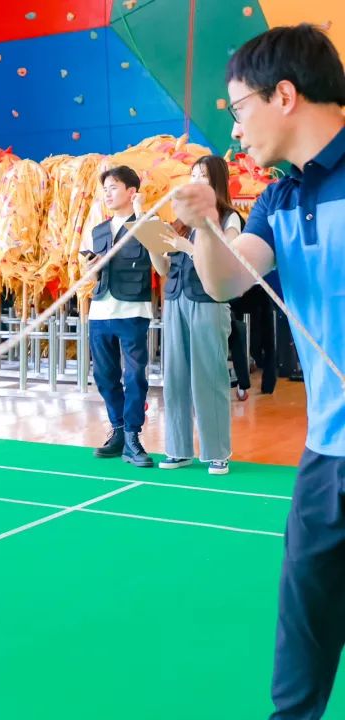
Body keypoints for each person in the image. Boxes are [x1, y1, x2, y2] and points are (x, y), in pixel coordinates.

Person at [172, 24, 345, 719]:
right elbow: (224, 282)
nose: (236, 129)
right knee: (301, 648)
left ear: (284, 95)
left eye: (239, 108)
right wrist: (205, 225)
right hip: (326, 455)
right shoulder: (280, 198)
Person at [149, 156, 239, 475]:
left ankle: (217, 452)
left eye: (203, 175)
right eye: (193, 175)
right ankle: (178, 449)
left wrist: (184, 247)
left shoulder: (228, 217)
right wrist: (153, 245)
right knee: (174, 377)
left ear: (217, 180)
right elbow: (164, 268)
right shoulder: (182, 222)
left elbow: (227, 256)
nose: (196, 180)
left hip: (209, 300)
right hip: (175, 300)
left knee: (209, 375)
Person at [86, 166, 153, 468]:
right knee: (104, 376)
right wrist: (92, 268)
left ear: (131, 191)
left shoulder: (146, 224)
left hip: (133, 311)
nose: (108, 194)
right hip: (100, 311)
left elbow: (157, 257)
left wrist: (141, 214)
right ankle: (118, 429)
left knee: (135, 376)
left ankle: (132, 436)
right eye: (105, 189)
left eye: (113, 187)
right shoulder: (98, 231)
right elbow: (91, 274)